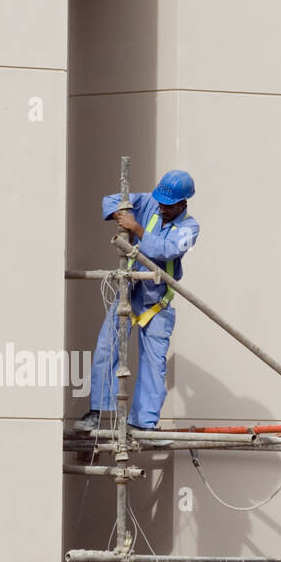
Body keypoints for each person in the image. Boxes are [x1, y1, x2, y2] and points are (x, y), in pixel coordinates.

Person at [75, 170, 200, 433]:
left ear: (183, 204)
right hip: (129, 290)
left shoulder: (190, 227)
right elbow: (112, 200)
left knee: (154, 364)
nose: (162, 209)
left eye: (169, 206)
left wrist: (136, 229)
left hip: (156, 301)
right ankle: (98, 412)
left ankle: (143, 423)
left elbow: (167, 250)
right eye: (162, 204)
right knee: (106, 349)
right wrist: (120, 216)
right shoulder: (149, 202)